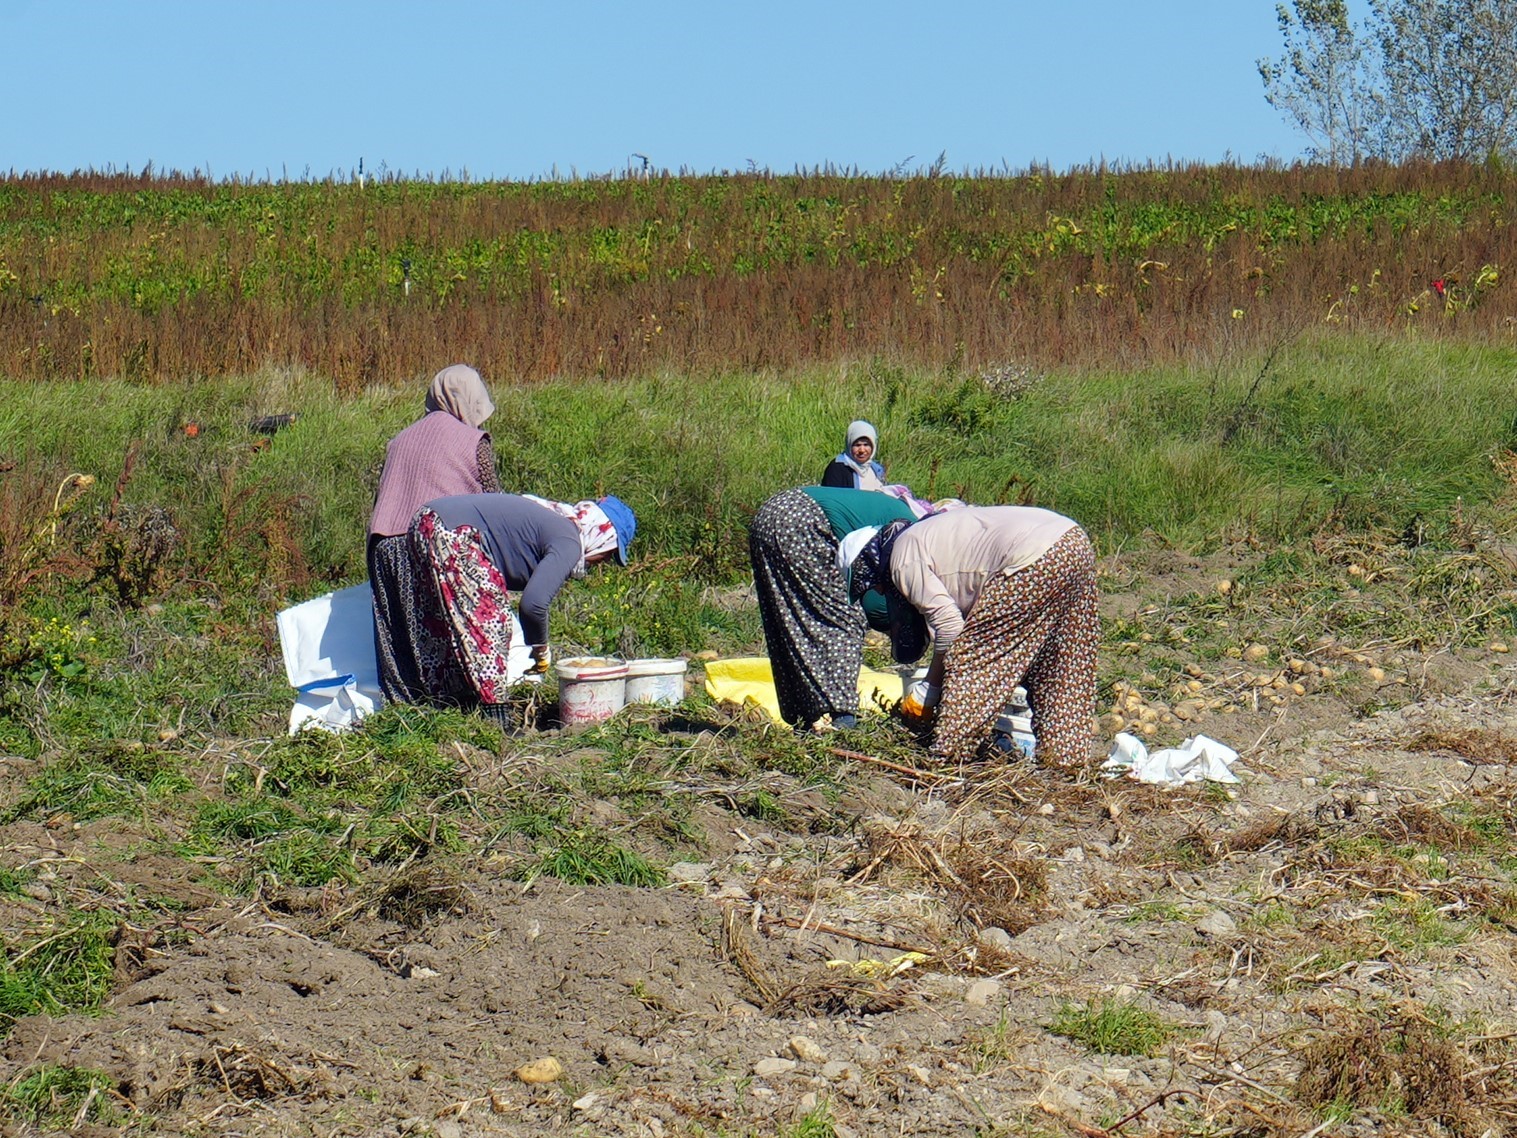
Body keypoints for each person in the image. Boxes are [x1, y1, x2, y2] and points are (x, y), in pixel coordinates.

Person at [842, 505, 1098, 765]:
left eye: (873, 584)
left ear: (869, 564)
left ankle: (950, 760)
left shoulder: (901, 557)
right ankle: (1065, 761)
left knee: (976, 662)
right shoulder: (923, 533)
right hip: (1072, 542)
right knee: (1061, 665)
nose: (878, 589)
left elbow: (952, 629)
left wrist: (929, 688)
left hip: (1031, 556)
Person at [408, 492, 635, 722]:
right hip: (456, 532)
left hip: (426, 521)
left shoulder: (557, 524)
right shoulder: (570, 541)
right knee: (492, 622)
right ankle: (494, 718)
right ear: (602, 537)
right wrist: (540, 647)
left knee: (440, 623)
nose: (601, 563)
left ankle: (444, 707)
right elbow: (533, 604)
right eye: (609, 555)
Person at [368, 364, 501, 703]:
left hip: (385, 542)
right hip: (433, 541)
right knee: (449, 626)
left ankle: (404, 712)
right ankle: (454, 709)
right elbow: (495, 503)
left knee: (398, 631)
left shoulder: (399, 440)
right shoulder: (474, 442)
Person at [748, 485, 914, 732]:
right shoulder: (913, 534)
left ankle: (805, 716)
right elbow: (876, 604)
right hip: (802, 520)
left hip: (770, 514)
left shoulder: (898, 516)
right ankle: (841, 718)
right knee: (844, 618)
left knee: (789, 618)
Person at [821, 420, 887, 491]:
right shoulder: (837, 468)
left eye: (866, 445)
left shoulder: (876, 469)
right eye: (857, 445)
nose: (862, 450)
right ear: (849, 445)